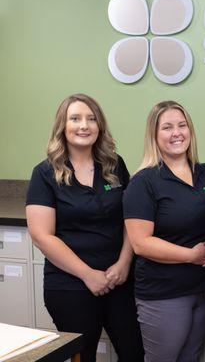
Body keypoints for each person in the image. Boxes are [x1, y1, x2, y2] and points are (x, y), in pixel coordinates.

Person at [25, 93, 143, 362]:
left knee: (135, 353)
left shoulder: (114, 165)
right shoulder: (45, 174)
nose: (84, 125)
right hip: (70, 284)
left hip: (119, 280)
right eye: (75, 118)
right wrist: (88, 275)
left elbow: (130, 219)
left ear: (99, 126)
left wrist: (125, 263)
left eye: (91, 119)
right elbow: (42, 236)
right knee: (82, 356)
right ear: (62, 127)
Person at [123, 100, 205, 362]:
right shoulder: (144, 182)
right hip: (164, 293)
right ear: (154, 135)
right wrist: (191, 255)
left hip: (204, 288)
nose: (176, 133)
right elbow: (141, 243)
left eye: (182, 125)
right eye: (167, 127)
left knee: (191, 357)